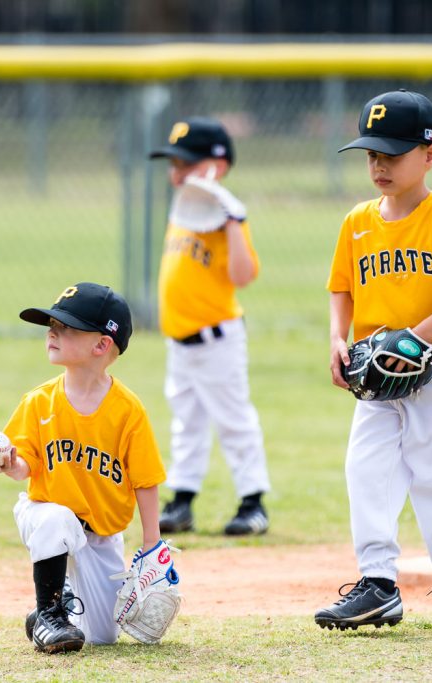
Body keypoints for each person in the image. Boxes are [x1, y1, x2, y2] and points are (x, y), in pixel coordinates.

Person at [315, 90, 432, 631]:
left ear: (430, 155)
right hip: (375, 374)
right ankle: (378, 585)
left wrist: (415, 338)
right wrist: (337, 338)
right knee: (364, 470)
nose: (379, 165)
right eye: (372, 154)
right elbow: (341, 287)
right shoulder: (357, 221)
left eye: (392, 154)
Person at [0, 282, 166, 653]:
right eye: (52, 324)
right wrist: (9, 464)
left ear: (101, 345)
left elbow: (146, 481)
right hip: (43, 514)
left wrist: (151, 545)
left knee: (102, 636)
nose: (53, 331)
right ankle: (49, 610)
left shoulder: (127, 411)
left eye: (67, 327)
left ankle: (52, 610)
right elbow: (25, 468)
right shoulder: (38, 402)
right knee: (57, 520)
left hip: (100, 533)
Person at [149, 117, 272, 536]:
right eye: (173, 163)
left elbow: (243, 275)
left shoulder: (224, 215)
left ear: (215, 166)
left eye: (185, 163)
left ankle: (253, 503)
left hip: (216, 338)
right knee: (186, 422)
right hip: (179, 342)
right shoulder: (187, 209)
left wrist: (234, 220)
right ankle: (182, 500)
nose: (175, 172)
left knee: (234, 420)